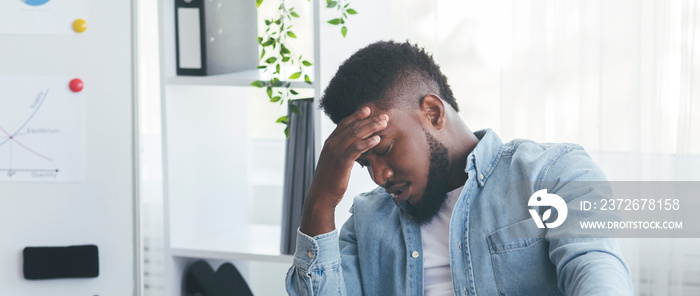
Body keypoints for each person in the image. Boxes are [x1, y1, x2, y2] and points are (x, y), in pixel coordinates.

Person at [285, 41, 633, 295]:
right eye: (365, 164)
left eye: (386, 149)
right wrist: (320, 203)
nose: (379, 176)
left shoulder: (549, 175)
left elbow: (596, 271)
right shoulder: (367, 221)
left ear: (433, 112)